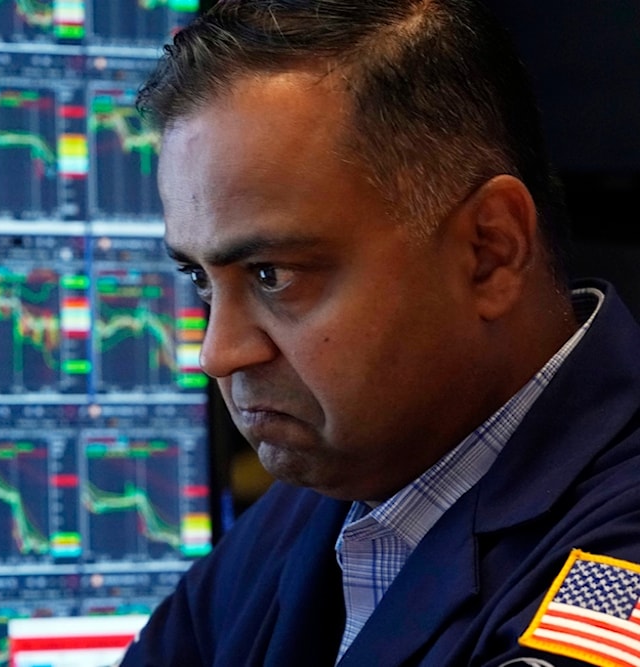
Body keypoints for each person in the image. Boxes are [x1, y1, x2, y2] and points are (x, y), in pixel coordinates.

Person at [119, 0, 640, 665]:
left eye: (272, 273)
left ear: (489, 251)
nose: (217, 353)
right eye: (198, 277)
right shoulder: (336, 484)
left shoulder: (614, 572)